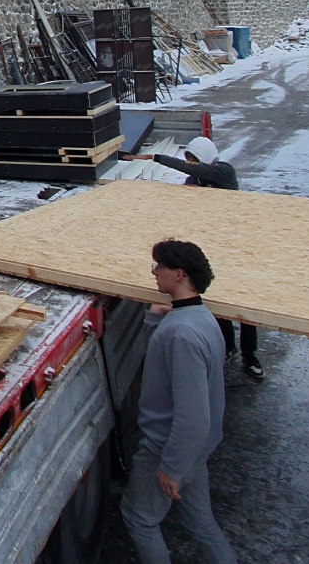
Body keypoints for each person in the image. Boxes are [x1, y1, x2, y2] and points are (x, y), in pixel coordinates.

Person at [120, 239, 238, 564]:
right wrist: (156, 320)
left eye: (160, 266)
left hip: (168, 449)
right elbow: (170, 362)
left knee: (139, 518)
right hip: (194, 450)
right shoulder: (199, 318)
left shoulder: (182, 335)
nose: (154, 271)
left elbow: (193, 415)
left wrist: (172, 467)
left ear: (180, 274)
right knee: (200, 522)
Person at [129, 137, 261, 380]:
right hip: (212, 243)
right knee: (218, 299)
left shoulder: (223, 171)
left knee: (244, 305)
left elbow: (197, 170)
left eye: (194, 159)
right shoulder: (194, 180)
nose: (190, 164)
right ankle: (228, 347)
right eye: (188, 159)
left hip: (236, 241)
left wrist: (156, 158)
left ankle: (250, 355)